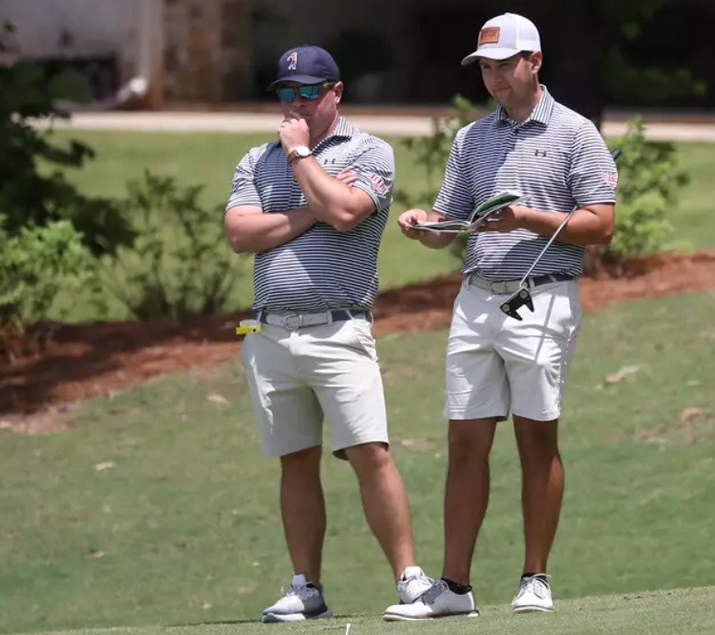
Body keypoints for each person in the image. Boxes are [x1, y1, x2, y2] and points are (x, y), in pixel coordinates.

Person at [383, 13, 618, 620]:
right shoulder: (472, 139)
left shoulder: (576, 133)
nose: (493, 78)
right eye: (484, 67)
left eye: (503, 65)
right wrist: (423, 227)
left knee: (536, 438)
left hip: (545, 295)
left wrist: (528, 218)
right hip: (476, 298)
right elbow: (452, 224)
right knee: (465, 441)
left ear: (534, 62)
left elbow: (602, 225)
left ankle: (535, 577)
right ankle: (454, 587)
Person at [223, 44, 434, 623]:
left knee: (370, 452)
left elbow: (349, 212)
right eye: (286, 95)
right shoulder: (257, 159)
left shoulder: (369, 151)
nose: (295, 105)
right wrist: (310, 203)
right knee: (295, 461)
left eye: (307, 94)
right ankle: (305, 586)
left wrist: (300, 162)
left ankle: (410, 580)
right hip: (269, 334)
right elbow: (241, 233)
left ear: (335, 93)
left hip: (339, 330)